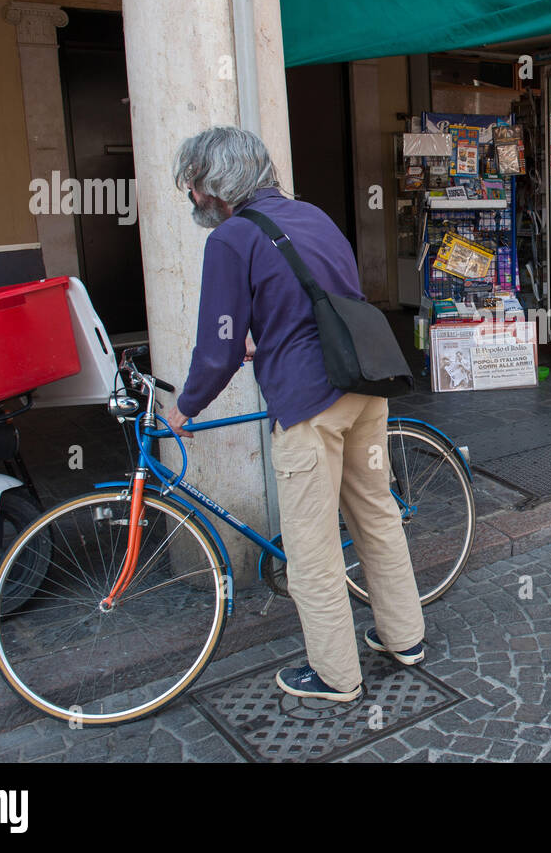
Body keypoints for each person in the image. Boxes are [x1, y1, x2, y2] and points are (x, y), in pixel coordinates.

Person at [165, 126, 425, 703]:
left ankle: (336, 676)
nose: (191, 197)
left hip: (309, 405)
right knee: (377, 513)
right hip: (363, 386)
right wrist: (273, 336)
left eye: (192, 185)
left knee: (311, 546)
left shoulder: (231, 239)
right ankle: (405, 637)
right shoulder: (312, 216)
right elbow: (325, 299)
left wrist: (184, 409)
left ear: (214, 183)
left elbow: (218, 345)